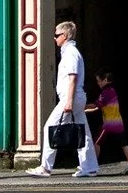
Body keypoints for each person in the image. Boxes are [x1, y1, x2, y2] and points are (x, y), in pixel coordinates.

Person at [26, 20, 99, 178]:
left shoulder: (71, 53)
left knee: (50, 127)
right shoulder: (69, 52)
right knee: (83, 132)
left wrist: (69, 101)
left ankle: (45, 167)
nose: (54, 38)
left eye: (56, 35)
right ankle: (90, 167)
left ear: (65, 36)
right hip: (75, 97)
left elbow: (73, 78)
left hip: (70, 96)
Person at [85, 69, 128, 173]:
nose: (98, 83)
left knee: (97, 143)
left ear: (106, 80)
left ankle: (93, 167)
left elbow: (95, 105)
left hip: (108, 124)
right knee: (124, 143)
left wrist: (82, 106)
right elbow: (99, 107)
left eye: (99, 80)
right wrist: (85, 110)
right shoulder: (112, 91)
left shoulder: (105, 93)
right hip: (118, 123)